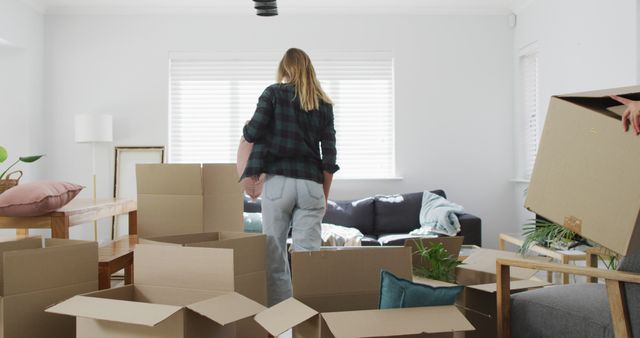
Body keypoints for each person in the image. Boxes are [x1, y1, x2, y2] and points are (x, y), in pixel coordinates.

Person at [242, 48, 339, 306]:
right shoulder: (324, 104)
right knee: (308, 260)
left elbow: (252, 132)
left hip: (279, 184)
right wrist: (324, 197)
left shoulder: (273, 93)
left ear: (284, 69)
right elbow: (329, 160)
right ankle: (307, 325)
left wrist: (246, 125)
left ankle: (281, 322)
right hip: (311, 185)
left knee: (274, 258)